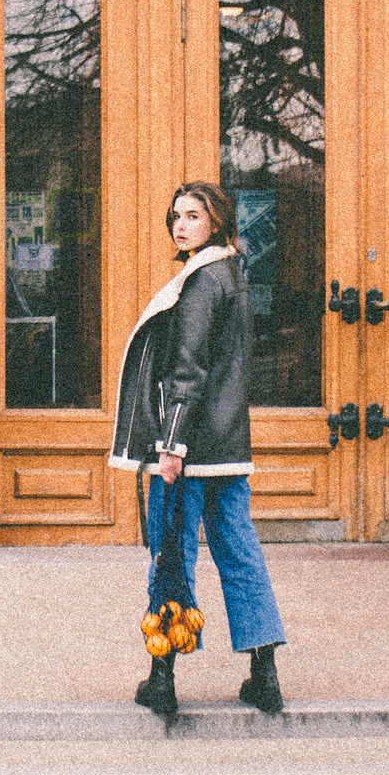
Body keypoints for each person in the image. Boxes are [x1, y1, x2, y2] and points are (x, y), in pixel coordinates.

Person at [107, 179, 290, 717]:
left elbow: (187, 371)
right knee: (240, 553)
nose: (181, 225)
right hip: (229, 445)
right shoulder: (233, 274)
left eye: (193, 215)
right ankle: (265, 673)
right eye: (176, 217)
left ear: (217, 222)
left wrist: (170, 444)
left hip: (186, 452)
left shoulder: (201, 281)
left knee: (172, 556)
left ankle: (162, 677)